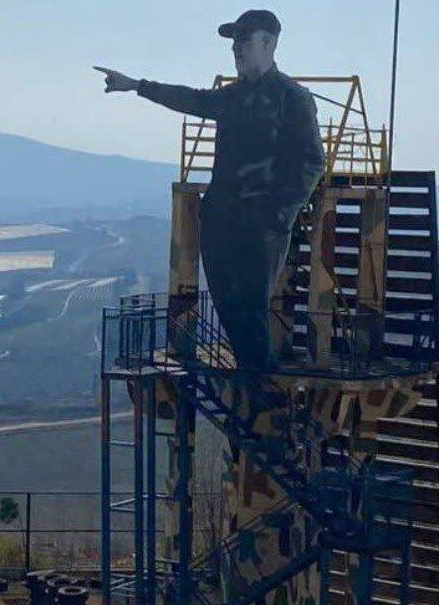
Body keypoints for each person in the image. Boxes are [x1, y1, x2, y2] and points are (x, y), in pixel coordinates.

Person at [94, 9, 325, 372]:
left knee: (249, 306)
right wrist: (137, 85)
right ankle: (255, 376)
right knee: (228, 304)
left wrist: (277, 215)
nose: (236, 49)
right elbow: (190, 99)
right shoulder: (232, 97)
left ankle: (259, 384)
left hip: (259, 226)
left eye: (244, 40)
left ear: (270, 43)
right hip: (222, 223)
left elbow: (311, 162)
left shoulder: (291, 98)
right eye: (234, 42)